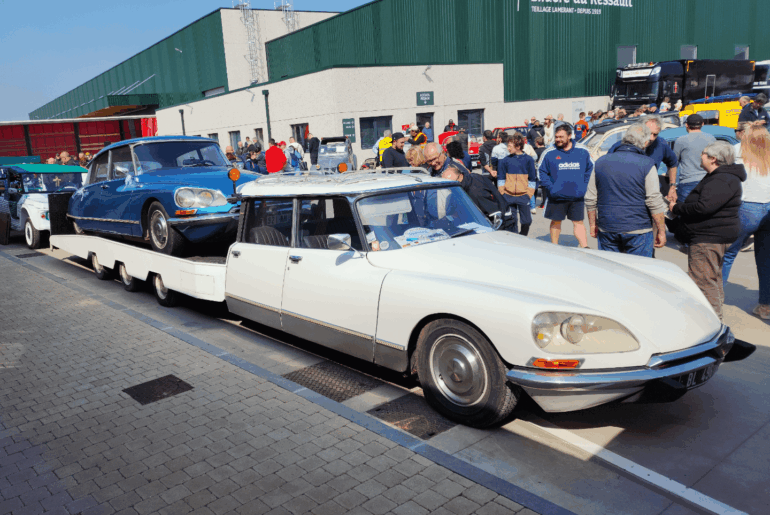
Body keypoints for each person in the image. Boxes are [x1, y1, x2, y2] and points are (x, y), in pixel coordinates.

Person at [670, 141, 746, 321]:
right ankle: (715, 318)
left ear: (713, 159)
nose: (700, 156)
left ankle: (712, 322)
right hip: (713, 234)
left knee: (704, 281)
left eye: (703, 154)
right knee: (712, 278)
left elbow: (704, 207)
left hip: (709, 236)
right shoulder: (721, 177)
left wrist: (677, 208)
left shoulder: (721, 179)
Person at [586, 124, 667, 257]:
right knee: (638, 272)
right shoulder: (647, 164)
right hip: (638, 228)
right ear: (645, 143)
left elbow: (590, 198)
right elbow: (654, 200)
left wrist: (593, 225)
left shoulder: (600, 162)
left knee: (611, 271)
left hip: (607, 227)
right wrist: (661, 231)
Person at [721, 123, 770, 319]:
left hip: (745, 207)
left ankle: (713, 303)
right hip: (768, 207)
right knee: (766, 259)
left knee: (726, 255)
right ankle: (766, 306)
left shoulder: (736, 152)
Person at [538, 124, 593, 247]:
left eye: (561, 137)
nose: (558, 139)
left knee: (578, 222)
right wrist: (551, 188)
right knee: (556, 221)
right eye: (556, 137)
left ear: (569, 136)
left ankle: (585, 247)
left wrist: (584, 186)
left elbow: (591, 169)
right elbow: (541, 171)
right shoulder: (549, 152)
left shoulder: (582, 151)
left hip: (577, 195)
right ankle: (555, 247)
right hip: (556, 196)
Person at [442, 165, 510, 228]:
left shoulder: (475, 191)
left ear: (460, 175)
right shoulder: (466, 182)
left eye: (452, 183)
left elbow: (495, 217)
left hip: (503, 222)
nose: (450, 188)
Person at [497, 133, 537, 235]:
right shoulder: (505, 160)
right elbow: (501, 178)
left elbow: (532, 179)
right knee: (512, 221)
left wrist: (529, 194)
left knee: (527, 221)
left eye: (510, 146)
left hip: (524, 196)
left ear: (518, 147)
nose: (508, 148)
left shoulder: (528, 160)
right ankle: (515, 239)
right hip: (508, 196)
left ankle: (523, 235)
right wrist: (502, 192)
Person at [673, 114, 717, 203]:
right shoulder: (711, 138)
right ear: (702, 124)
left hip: (687, 182)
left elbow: (674, 163)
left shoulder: (680, 140)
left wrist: (672, 184)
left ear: (686, 125)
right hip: (709, 181)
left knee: (686, 213)